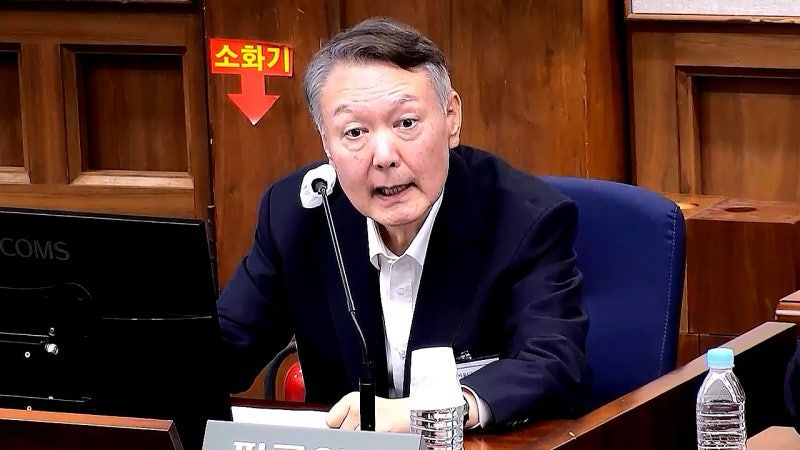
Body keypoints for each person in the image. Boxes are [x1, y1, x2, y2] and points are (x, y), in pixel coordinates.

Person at [217, 16, 591, 432]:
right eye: (354, 132)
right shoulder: (299, 213)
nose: (384, 156)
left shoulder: (523, 219)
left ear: (451, 117)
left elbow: (554, 364)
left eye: (406, 123)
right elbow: (227, 346)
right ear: (326, 142)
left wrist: (431, 412)